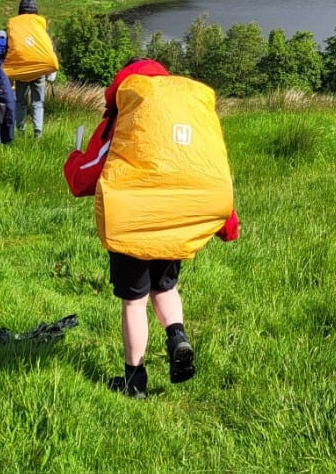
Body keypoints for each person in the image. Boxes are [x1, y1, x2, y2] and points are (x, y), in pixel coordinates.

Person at [63, 59, 239, 396]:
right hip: (177, 220)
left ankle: (134, 380)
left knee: (134, 301)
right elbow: (210, 172)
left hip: (132, 223)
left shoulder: (125, 112)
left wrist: (72, 159)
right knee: (165, 287)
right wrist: (227, 224)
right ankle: (177, 336)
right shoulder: (186, 114)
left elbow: (86, 175)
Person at [4, 0, 60, 138]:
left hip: (20, 69)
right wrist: (51, 69)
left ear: (20, 11)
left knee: (21, 102)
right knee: (38, 102)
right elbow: (49, 45)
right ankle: (38, 134)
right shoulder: (40, 24)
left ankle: (20, 132)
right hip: (38, 69)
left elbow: (9, 47)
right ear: (35, 12)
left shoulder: (14, 25)